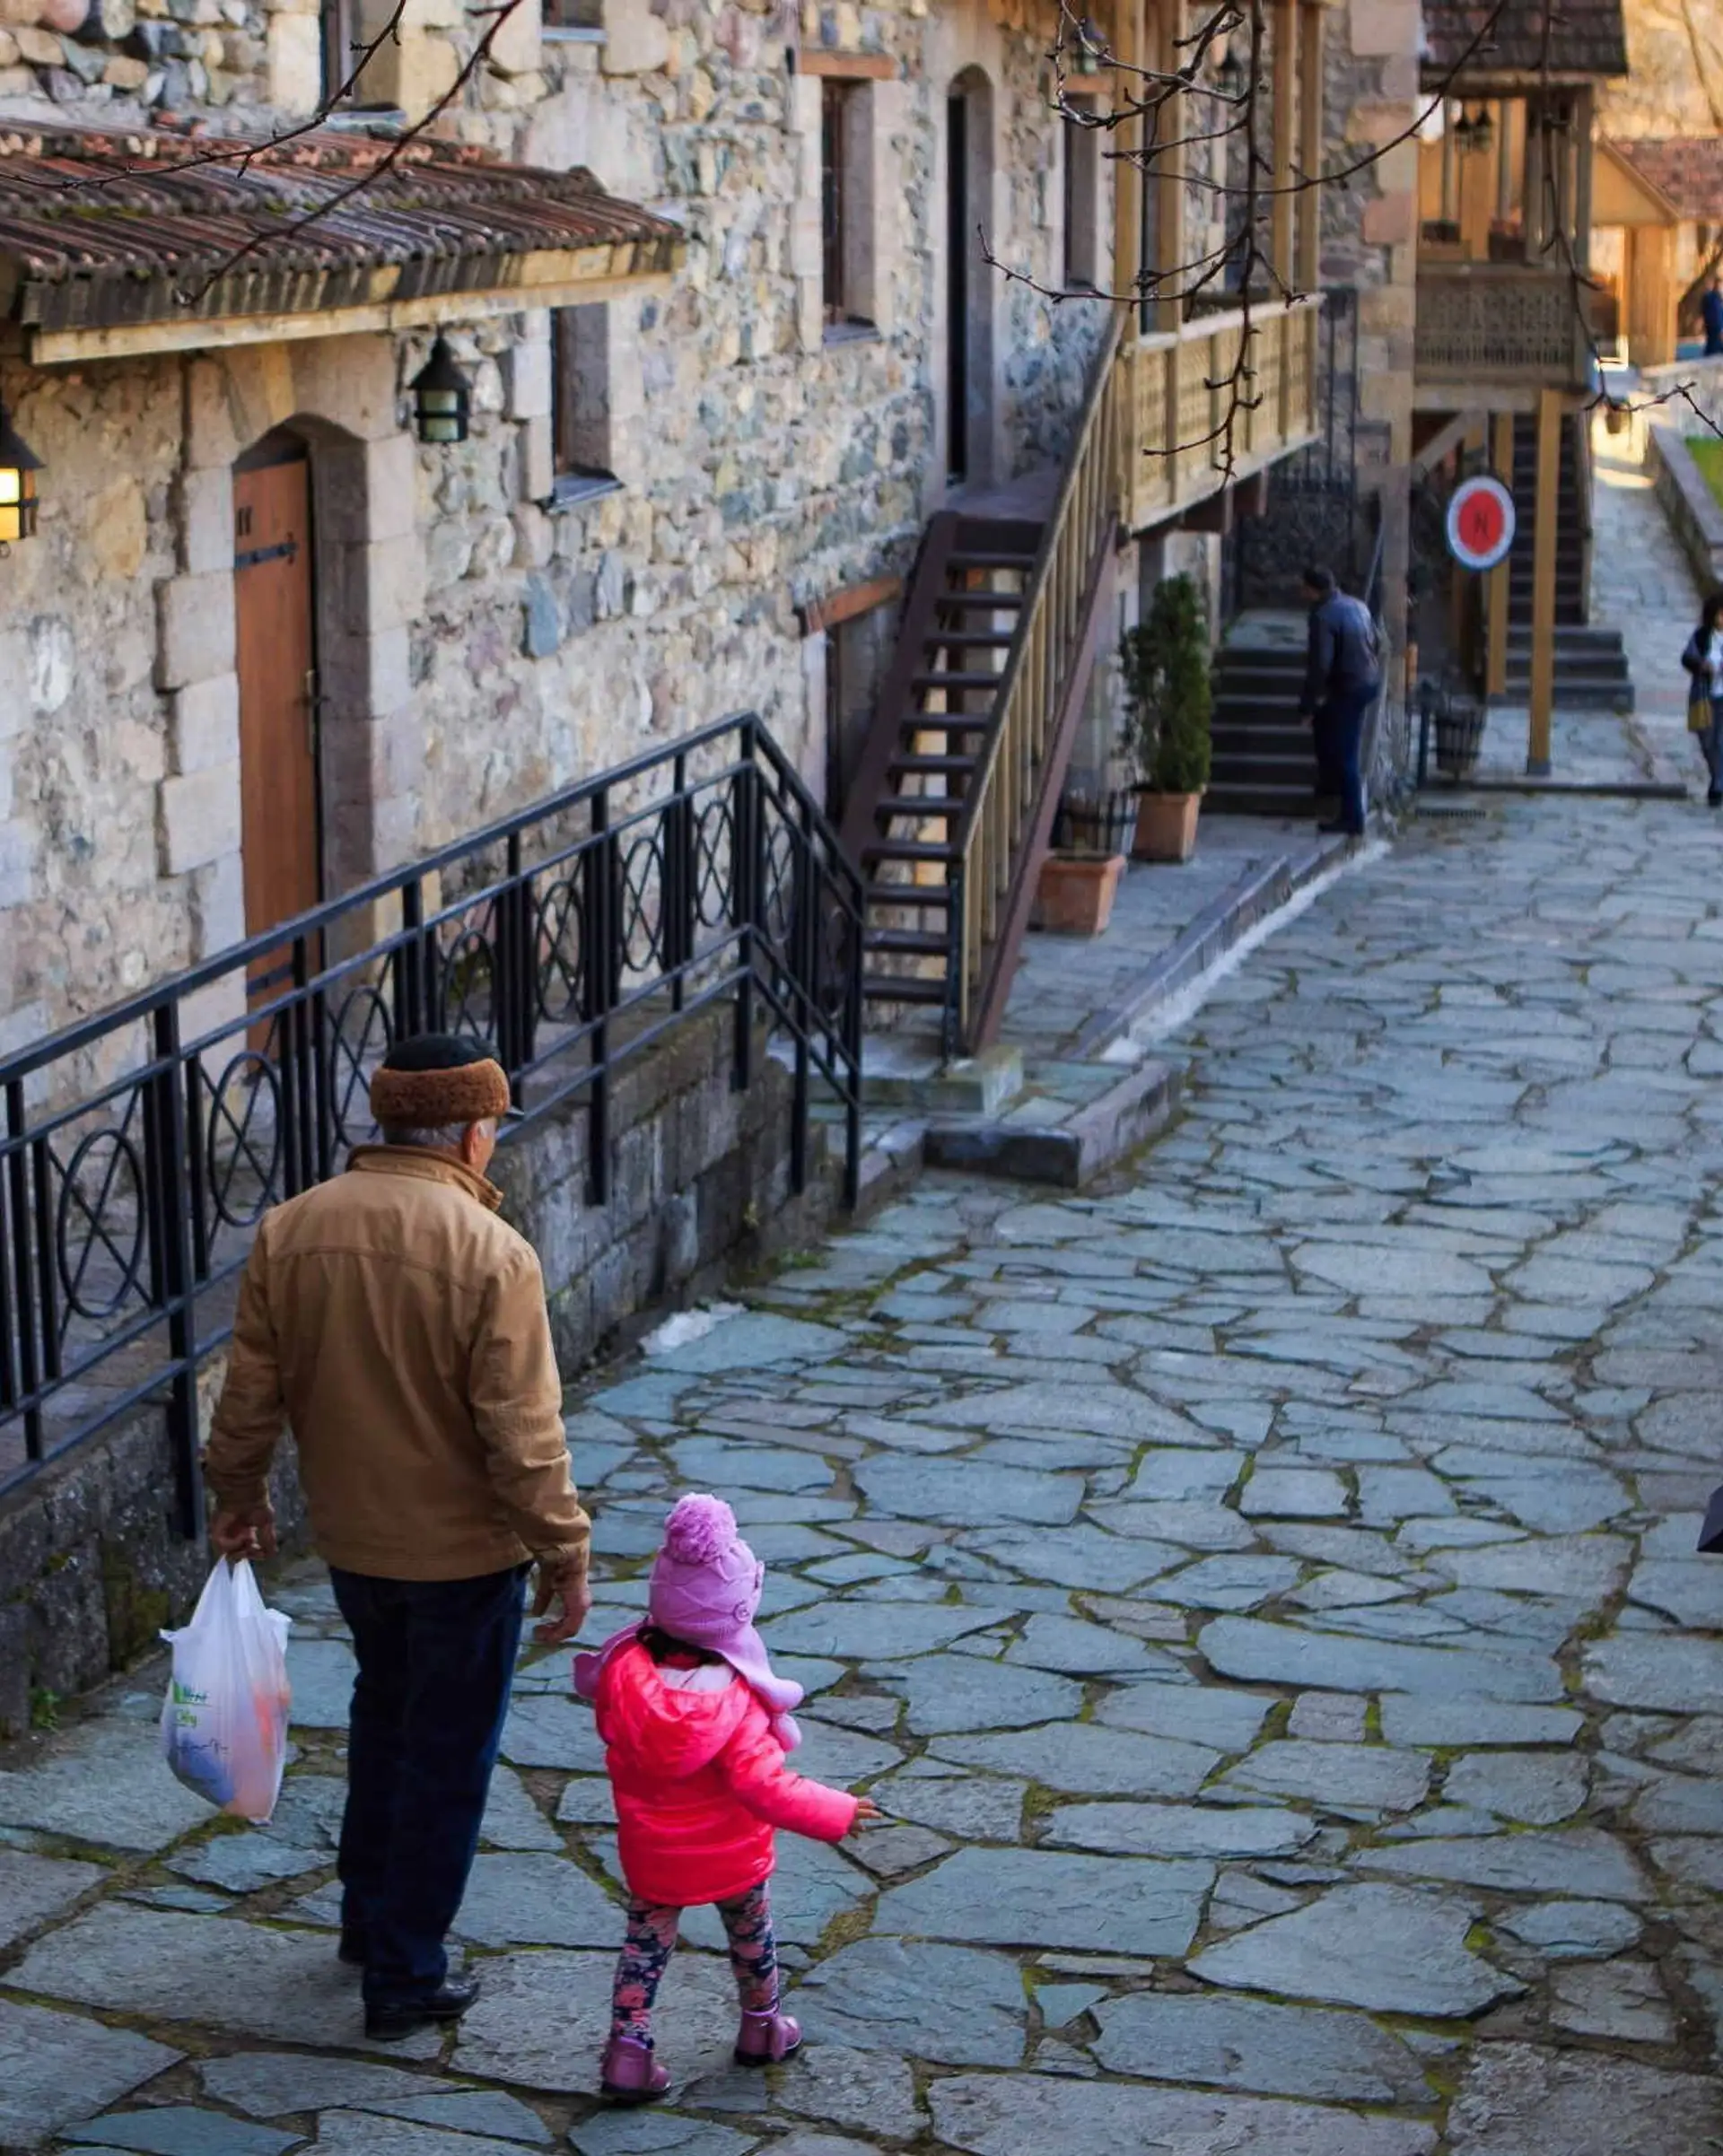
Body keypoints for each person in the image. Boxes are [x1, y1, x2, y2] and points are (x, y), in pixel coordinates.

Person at [204, 1033, 592, 2043]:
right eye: (493, 1131)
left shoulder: (293, 1230)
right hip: (465, 1555)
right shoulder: (491, 1252)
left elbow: (249, 1392)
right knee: (446, 1756)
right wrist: (565, 1548)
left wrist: (237, 1491)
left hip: (354, 1543)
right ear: (473, 1135)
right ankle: (407, 1970)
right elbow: (521, 1431)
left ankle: (366, 1921)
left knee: (384, 1719)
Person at [573, 1493, 881, 2102]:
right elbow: (762, 1783)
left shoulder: (624, 1668)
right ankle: (762, 2027)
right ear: (736, 1612)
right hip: (732, 1854)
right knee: (751, 1937)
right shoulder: (736, 1700)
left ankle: (628, 2054)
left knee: (644, 1947)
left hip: (652, 1850)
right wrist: (837, 1810)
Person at [1297, 563, 1382, 837]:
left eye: (1304, 589)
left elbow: (1320, 665)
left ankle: (1352, 817)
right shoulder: (1358, 605)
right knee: (1332, 736)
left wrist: (1308, 705)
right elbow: (1376, 642)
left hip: (1348, 686)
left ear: (1313, 590)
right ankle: (1331, 795)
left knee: (1345, 753)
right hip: (1367, 680)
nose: (1301, 594)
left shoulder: (1323, 616)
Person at [1682, 589, 1723, 807]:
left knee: (1720, 741)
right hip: (1705, 697)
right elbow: (1687, 658)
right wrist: (1702, 665)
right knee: (1707, 741)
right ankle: (1717, 776)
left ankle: (1718, 783)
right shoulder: (1702, 636)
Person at [1703, 275, 1723, 359]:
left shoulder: (1716, 298)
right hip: (1715, 328)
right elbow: (1716, 316)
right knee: (1714, 348)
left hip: (1714, 328)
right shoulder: (1713, 298)